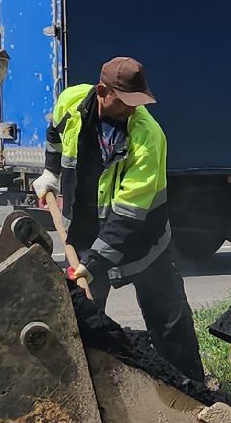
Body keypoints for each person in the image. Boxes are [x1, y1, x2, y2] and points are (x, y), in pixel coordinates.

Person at [32, 57, 203, 384]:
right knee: (84, 323)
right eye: (126, 102)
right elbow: (54, 132)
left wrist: (93, 262)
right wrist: (50, 172)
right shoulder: (71, 102)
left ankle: (192, 391)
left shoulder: (148, 137)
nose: (132, 109)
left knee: (170, 321)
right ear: (101, 92)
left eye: (138, 101)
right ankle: (91, 391)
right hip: (84, 236)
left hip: (144, 242)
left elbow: (128, 215)